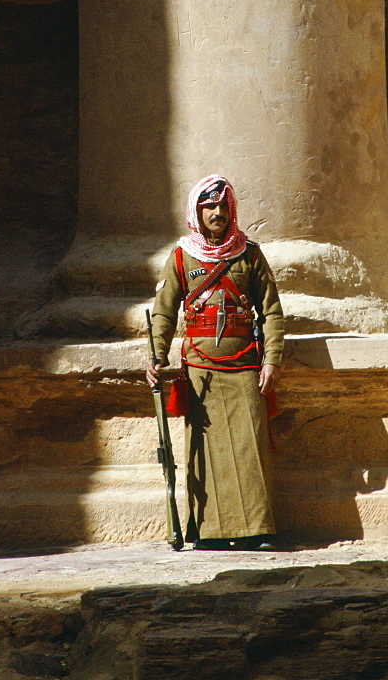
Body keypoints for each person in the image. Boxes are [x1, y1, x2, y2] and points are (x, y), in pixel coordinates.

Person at [146, 174, 284, 550]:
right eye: (209, 207)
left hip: (245, 370)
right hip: (200, 372)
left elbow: (271, 312)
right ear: (197, 211)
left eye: (224, 206)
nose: (217, 213)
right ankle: (207, 532)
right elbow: (163, 315)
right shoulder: (180, 257)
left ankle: (258, 529)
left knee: (249, 450)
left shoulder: (250, 255)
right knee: (204, 453)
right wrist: (156, 357)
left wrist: (271, 361)